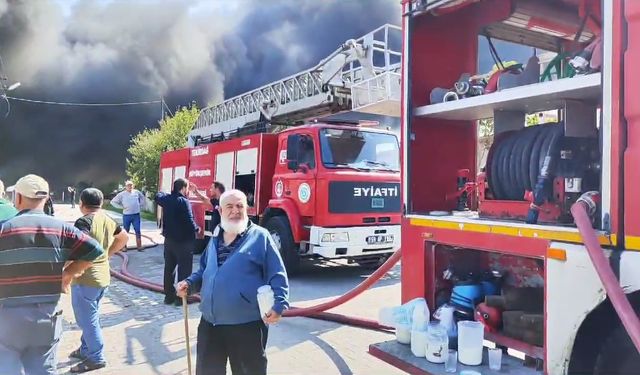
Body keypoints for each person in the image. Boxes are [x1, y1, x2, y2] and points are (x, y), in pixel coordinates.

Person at [176, 189, 289, 375]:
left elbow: (277, 273)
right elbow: (205, 270)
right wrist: (189, 284)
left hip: (246, 326)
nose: (235, 210)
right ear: (220, 211)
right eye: (229, 206)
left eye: (240, 206)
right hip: (210, 324)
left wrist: (279, 305)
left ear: (247, 209)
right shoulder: (216, 237)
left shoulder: (260, 237)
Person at [0, 174, 104, 375]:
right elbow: (96, 251)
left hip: (8, 317)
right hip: (46, 316)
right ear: (46, 198)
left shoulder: (4, 229)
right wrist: (68, 273)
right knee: (44, 370)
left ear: (18, 198)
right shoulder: (62, 229)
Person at [69, 188, 129, 373]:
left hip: (86, 278)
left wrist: (67, 270)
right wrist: (107, 253)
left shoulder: (84, 221)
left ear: (81, 204)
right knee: (91, 316)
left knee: (87, 320)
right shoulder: (107, 219)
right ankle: (85, 348)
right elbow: (124, 237)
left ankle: (96, 357)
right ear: (101, 203)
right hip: (102, 277)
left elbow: (79, 246)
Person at [155, 178, 199, 306]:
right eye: (187, 188)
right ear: (183, 188)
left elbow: (158, 195)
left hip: (169, 241)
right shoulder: (184, 202)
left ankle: (168, 297)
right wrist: (197, 228)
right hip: (183, 242)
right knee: (184, 271)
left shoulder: (166, 200)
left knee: (169, 269)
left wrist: (166, 192)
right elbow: (189, 221)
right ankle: (181, 299)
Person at [110, 180, 145, 251]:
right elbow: (113, 202)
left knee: (137, 230)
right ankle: (124, 247)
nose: (130, 186)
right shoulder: (122, 194)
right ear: (125, 186)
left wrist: (140, 205)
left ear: (133, 186)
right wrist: (121, 207)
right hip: (127, 215)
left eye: (131, 185)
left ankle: (139, 246)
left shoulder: (137, 192)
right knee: (125, 231)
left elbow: (142, 198)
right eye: (128, 185)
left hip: (136, 215)